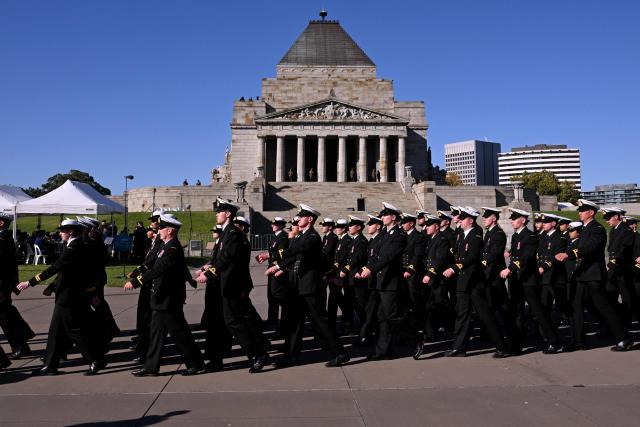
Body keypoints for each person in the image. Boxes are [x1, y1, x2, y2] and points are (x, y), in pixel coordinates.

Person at [265, 203, 350, 368]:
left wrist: (272, 255)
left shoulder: (312, 237)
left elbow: (297, 249)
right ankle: (291, 355)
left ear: (309, 219)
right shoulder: (303, 235)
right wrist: (278, 266)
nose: (298, 219)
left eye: (301, 216)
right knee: (294, 321)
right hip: (300, 286)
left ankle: (340, 353)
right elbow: (295, 258)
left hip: (311, 287)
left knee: (320, 322)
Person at [18, 219, 106, 376]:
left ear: (71, 231)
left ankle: (96, 359)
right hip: (66, 294)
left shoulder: (75, 246)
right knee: (55, 332)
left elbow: (57, 267)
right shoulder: (73, 245)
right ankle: (50, 365)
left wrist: (30, 282)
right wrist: (52, 286)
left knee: (75, 331)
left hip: (70, 296)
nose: (60, 233)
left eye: (62, 231)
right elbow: (64, 272)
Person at [126, 214, 204, 376]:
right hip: (160, 298)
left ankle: (195, 363)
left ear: (170, 230)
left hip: (168, 299)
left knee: (180, 333)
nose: (158, 230)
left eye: (161, 228)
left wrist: (136, 282)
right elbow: (152, 263)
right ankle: (151, 367)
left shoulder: (172, 248)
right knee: (156, 334)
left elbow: (158, 269)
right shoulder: (165, 245)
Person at [199, 198, 270, 373]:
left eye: (219, 211)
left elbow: (227, 258)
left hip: (231, 285)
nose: (216, 214)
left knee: (234, 322)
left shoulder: (232, 233)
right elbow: (218, 258)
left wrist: (209, 273)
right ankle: (217, 359)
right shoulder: (225, 233)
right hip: (221, 285)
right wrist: (208, 268)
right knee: (220, 323)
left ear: (228, 214)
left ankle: (258, 354)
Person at [556, 200, 632, 351]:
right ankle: (578, 341)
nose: (580, 212)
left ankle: (623, 338)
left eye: (583, 210)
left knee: (604, 307)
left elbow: (589, 247)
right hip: (581, 274)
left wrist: (568, 254)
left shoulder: (597, 228)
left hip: (593, 274)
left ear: (591, 213)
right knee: (576, 308)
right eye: (580, 210)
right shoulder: (584, 229)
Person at [444, 207, 508, 358]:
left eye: (463, 218)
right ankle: (459, 347)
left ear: (471, 221)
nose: (459, 219)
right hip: (464, 281)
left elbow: (471, 257)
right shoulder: (463, 235)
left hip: (474, 282)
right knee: (463, 315)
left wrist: (454, 269)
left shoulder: (476, 235)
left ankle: (502, 346)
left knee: (486, 316)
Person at [500, 208, 561, 354]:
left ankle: (554, 341)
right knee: (515, 313)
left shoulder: (531, 236)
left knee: (538, 312)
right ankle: (515, 344)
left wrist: (510, 269)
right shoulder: (516, 236)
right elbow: (516, 255)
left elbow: (526, 258)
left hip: (528, 281)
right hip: (517, 280)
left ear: (522, 220)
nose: (512, 221)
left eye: (514, 218)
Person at [358, 202, 407, 360]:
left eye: (385, 215)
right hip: (382, 281)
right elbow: (376, 256)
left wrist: (371, 269)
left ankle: (416, 337)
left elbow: (388, 257)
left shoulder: (399, 235)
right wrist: (366, 268)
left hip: (391, 282)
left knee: (391, 317)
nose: (382, 218)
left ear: (393, 217)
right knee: (382, 318)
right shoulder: (385, 234)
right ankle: (384, 351)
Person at [480, 207, 521, 354]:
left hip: (495, 277)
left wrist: (480, 266)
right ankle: (500, 341)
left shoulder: (498, 234)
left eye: (487, 216)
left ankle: (512, 343)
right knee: (494, 310)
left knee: (504, 311)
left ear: (494, 218)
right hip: (489, 277)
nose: (484, 219)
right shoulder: (490, 233)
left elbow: (492, 255)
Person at [127, 210, 165, 359]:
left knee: (151, 318)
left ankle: (146, 347)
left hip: (152, 282)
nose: (152, 223)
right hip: (147, 281)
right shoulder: (154, 240)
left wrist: (138, 275)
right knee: (144, 314)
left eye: (155, 220)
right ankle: (143, 341)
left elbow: (153, 264)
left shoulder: (162, 242)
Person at [415, 214, 453, 359]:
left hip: (438, 279)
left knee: (439, 303)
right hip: (430, 279)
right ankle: (431, 333)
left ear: (436, 226)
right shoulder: (431, 239)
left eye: (429, 225)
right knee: (431, 306)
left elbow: (439, 258)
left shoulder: (442, 239)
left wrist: (430, 274)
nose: (427, 227)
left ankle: (449, 324)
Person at [1, 212, 35, 368]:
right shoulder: (5, 237)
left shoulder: (2, 239)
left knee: (5, 319)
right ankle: (22, 344)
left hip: (1, 286)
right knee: (7, 316)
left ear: (1, 223)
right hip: (4, 285)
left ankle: (19, 347)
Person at [195, 225, 232, 371]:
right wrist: (205, 268)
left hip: (219, 284)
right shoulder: (218, 244)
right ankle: (212, 353)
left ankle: (221, 351)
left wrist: (208, 272)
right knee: (213, 319)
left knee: (224, 320)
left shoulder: (225, 242)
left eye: (216, 231)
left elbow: (222, 262)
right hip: (213, 283)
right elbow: (214, 261)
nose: (214, 233)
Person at [602, 207, 639, 326]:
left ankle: (626, 325)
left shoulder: (626, 231)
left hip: (624, 271)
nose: (607, 221)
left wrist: (611, 264)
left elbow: (622, 251)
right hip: (615, 271)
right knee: (609, 297)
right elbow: (611, 250)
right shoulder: (613, 231)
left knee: (629, 301)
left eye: (608, 218)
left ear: (617, 217)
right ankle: (619, 325)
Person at [339, 216, 369, 342]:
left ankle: (365, 333)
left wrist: (345, 269)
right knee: (351, 304)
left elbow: (357, 258)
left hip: (358, 278)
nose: (349, 227)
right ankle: (355, 329)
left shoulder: (361, 241)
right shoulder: (353, 241)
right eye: (349, 225)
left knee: (360, 306)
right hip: (351, 278)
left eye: (352, 225)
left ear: (359, 228)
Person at [327, 219, 353, 333]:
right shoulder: (340, 240)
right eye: (336, 227)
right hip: (337, 273)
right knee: (337, 299)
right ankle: (340, 322)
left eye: (339, 227)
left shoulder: (347, 240)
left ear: (344, 228)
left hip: (343, 274)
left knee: (344, 299)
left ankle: (347, 323)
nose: (337, 229)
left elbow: (344, 258)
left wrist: (338, 274)